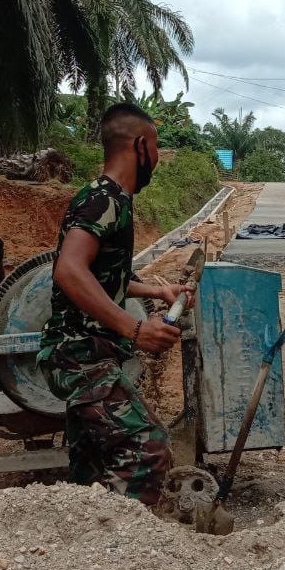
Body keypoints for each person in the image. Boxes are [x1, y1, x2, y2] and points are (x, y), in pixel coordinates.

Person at [37, 102, 193, 504]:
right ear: (141, 146)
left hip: (86, 355)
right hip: (80, 357)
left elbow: (104, 278)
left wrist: (158, 293)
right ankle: (119, 548)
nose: (157, 161)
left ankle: (81, 546)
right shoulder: (103, 198)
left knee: (92, 464)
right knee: (148, 450)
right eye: (157, 149)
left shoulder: (114, 201)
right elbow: (69, 271)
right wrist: (135, 328)